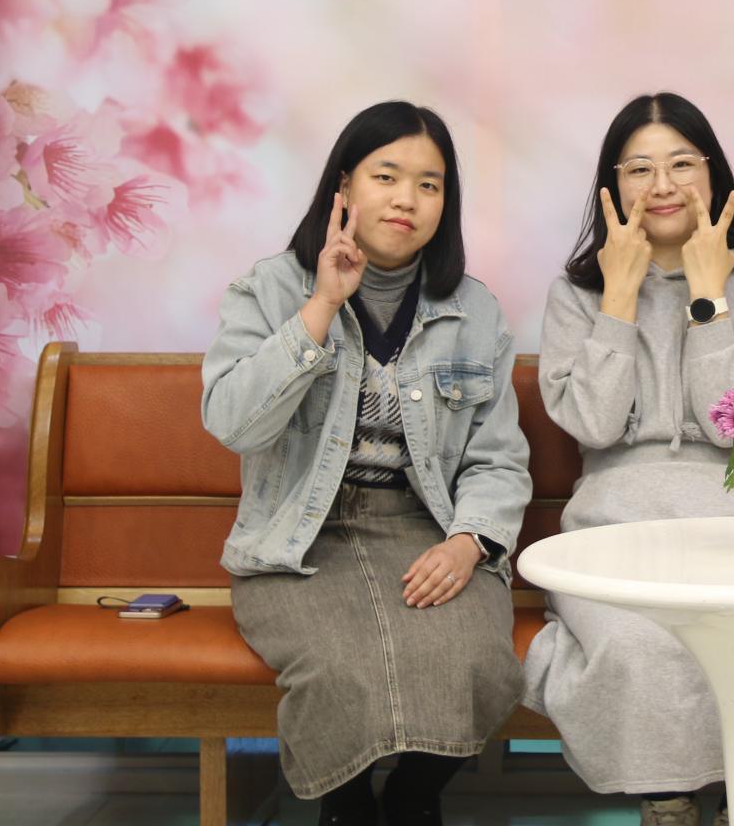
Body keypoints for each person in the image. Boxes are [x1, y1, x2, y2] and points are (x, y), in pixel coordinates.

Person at [523, 92, 734, 826]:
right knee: (639, 644)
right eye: (639, 169)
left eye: (680, 165)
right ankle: (666, 799)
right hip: (613, 528)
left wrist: (708, 295)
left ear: (713, 174)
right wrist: (619, 296)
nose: (662, 186)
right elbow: (594, 424)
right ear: (612, 188)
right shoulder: (575, 294)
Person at [202, 101, 531, 826]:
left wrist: (468, 541)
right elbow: (233, 424)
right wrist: (322, 305)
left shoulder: (474, 311)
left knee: (478, 661)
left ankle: (411, 801)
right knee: (339, 670)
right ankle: (346, 808)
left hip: (425, 527)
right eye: (387, 176)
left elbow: (499, 457)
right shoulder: (269, 288)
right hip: (299, 535)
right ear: (344, 186)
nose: (407, 199)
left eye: (429, 184)